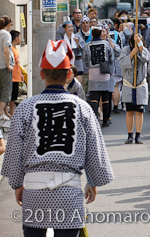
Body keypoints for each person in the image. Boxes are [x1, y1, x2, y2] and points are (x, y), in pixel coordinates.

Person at [1, 39, 113, 236]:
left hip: (34, 194)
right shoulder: (82, 108)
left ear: (42, 73)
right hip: (69, 195)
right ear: (70, 74)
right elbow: (95, 152)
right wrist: (93, 182)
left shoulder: (25, 108)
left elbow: (13, 152)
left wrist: (17, 184)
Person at [120, 34, 150, 144]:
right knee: (129, 111)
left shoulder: (144, 50)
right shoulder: (125, 50)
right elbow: (122, 64)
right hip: (128, 83)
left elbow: (146, 58)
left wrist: (140, 45)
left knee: (139, 111)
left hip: (140, 83)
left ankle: (138, 135)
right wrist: (132, 54)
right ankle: (129, 135)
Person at [82, 26, 114, 126]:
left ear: (92, 34)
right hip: (104, 73)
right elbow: (111, 58)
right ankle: (105, 121)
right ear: (100, 33)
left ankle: (94, 121)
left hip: (93, 73)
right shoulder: (106, 44)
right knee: (105, 99)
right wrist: (110, 70)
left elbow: (85, 59)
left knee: (94, 98)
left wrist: (89, 67)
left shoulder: (87, 45)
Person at [0, 15, 14, 120]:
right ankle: (0, 113)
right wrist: (8, 64)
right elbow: (6, 50)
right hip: (3, 67)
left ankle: (3, 112)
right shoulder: (6, 34)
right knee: (6, 90)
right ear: (9, 24)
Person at [10, 30, 24, 117]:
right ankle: (10, 113)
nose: (20, 39)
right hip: (12, 76)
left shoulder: (15, 49)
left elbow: (18, 64)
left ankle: (11, 112)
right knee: (11, 97)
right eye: (19, 37)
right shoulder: (11, 49)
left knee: (14, 96)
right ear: (16, 38)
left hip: (16, 76)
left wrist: (21, 74)